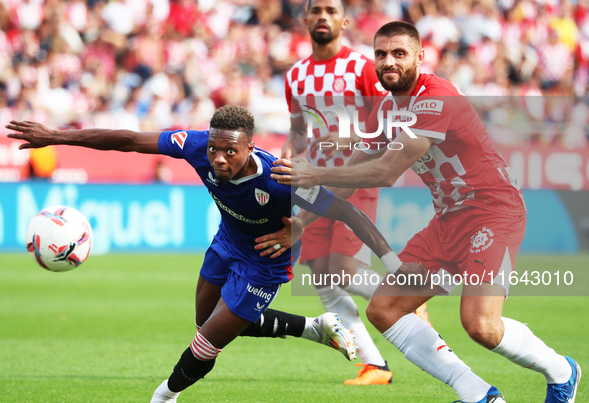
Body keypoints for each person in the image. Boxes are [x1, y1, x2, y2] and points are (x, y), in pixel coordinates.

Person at [6, 105, 421, 403]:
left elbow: (345, 210)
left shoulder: (280, 179)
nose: (219, 159)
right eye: (215, 150)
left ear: (250, 147)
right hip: (226, 244)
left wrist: (389, 261)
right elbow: (129, 141)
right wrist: (57, 135)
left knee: (207, 341)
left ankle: (164, 395)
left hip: (263, 264)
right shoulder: (195, 145)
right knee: (204, 320)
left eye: (230, 152)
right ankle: (313, 327)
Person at [270, 22, 581, 403]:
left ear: (420, 57)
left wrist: (314, 171)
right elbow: (352, 176)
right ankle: (478, 394)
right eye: (381, 54)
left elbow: (385, 171)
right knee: (384, 309)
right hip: (449, 219)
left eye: (399, 54)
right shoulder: (385, 108)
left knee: (481, 325)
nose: (389, 62)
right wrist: (302, 220)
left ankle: (562, 372)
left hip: (493, 211)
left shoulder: (437, 96)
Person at [282, 0, 429, 385]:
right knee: (323, 278)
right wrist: (283, 165)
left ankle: (408, 297)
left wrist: (348, 139)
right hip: (312, 183)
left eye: (332, 10)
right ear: (306, 20)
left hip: (354, 176)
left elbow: (388, 117)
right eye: (317, 11)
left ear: (344, 22)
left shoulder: (363, 67)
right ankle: (374, 366)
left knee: (344, 270)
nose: (323, 17)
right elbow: (298, 133)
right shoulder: (295, 75)